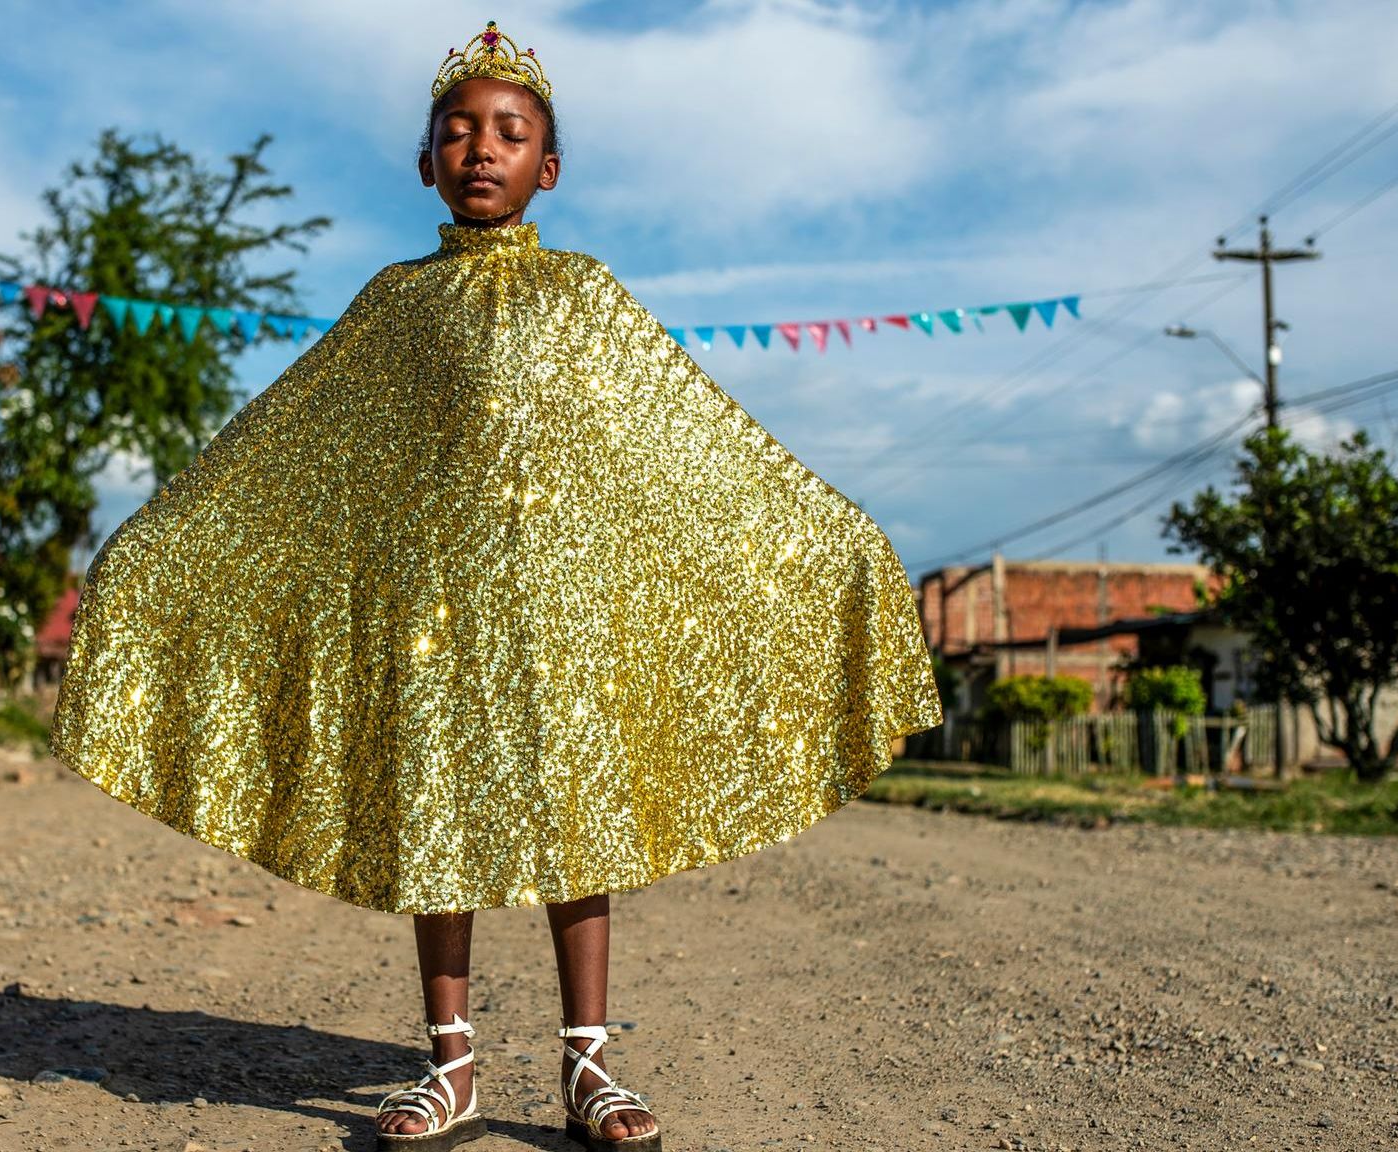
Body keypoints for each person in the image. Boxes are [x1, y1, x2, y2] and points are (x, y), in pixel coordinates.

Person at [50, 19, 942, 1152]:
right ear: (425, 160)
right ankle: (452, 1066)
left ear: (547, 168)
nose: (482, 148)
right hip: (433, 623)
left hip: (563, 620)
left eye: (509, 132)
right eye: (458, 131)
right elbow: (290, 447)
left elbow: (687, 443)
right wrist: (162, 543)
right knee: (437, 825)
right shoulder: (393, 306)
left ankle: (588, 1071)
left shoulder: (585, 297)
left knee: (581, 827)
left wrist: (830, 536)